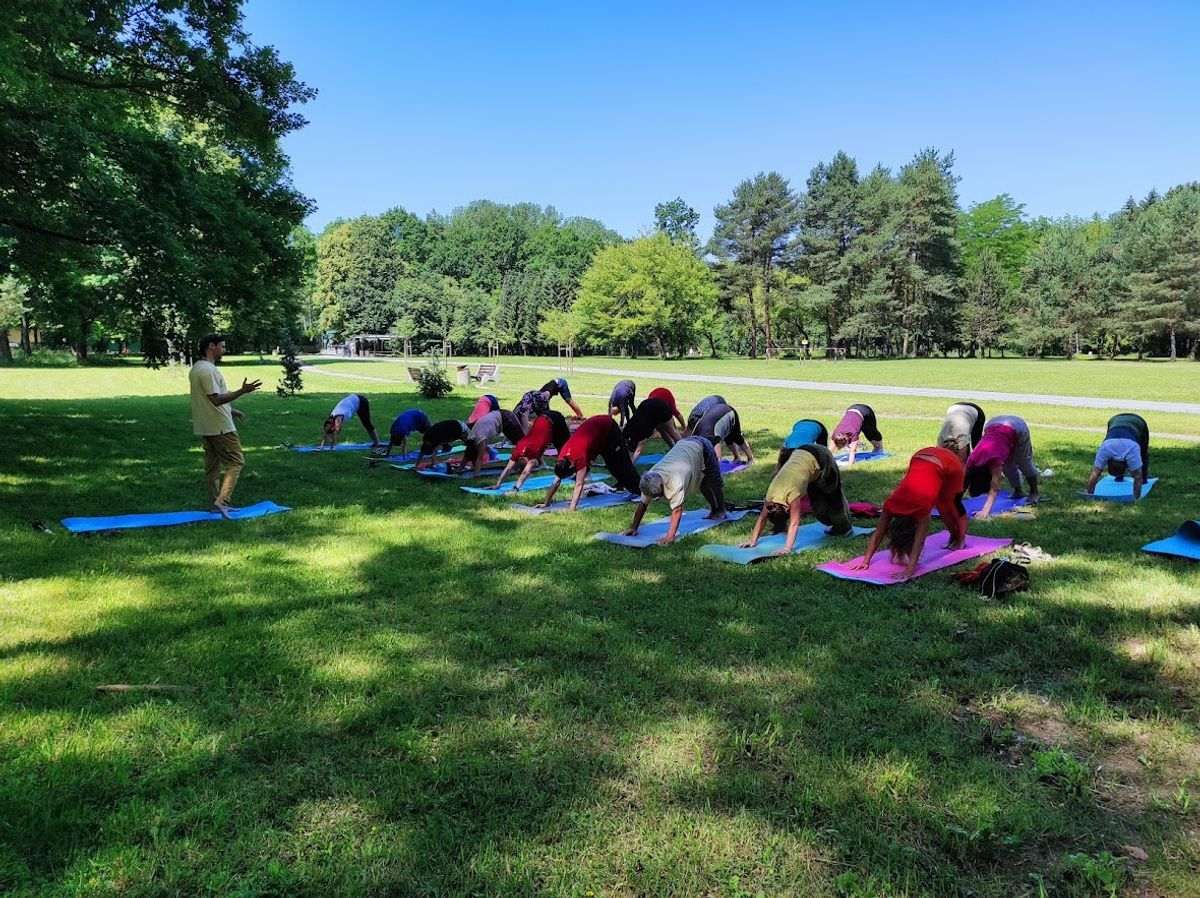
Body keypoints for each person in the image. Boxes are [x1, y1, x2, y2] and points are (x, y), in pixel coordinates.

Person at [853, 446, 969, 580]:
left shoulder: (921, 510)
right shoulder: (891, 504)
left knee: (950, 503)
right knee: (941, 502)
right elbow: (879, 533)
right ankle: (953, 537)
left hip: (950, 462)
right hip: (921, 456)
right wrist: (865, 561)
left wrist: (909, 570)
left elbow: (919, 542)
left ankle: (960, 539)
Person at [189, 334, 261, 518]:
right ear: (211, 346)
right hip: (220, 426)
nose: (224, 349)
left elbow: (210, 399)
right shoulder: (208, 370)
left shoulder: (197, 367)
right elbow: (215, 399)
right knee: (236, 462)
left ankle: (215, 503)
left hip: (206, 425)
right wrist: (242, 391)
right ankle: (222, 501)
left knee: (212, 466)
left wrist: (232, 410)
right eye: (222, 346)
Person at [742, 443, 851, 555]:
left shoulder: (792, 494)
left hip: (822, 457)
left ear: (786, 509)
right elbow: (762, 518)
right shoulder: (771, 499)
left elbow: (794, 522)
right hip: (803, 454)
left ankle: (844, 527)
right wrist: (752, 541)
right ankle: (834, 522)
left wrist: (787, 548)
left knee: (833, 497)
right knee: (818, 507)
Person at [624, 436, 726, 545]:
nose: (657, 499)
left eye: (658, 495)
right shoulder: (649, 479)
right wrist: (634, 527)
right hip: (685, 445)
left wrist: (669, 537)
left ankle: (720, 509)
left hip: (703, 447)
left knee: (713, 482)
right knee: (703, 484)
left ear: (662, 486)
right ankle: (714, 510)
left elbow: (677, 510)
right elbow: (642, 505)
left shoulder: (676, 481)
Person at [539, 415, 642, 510]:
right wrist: (546, 503)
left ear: (571, 466)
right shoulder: (562, 458)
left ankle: (641, 492)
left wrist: (572, 508)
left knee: (621, 465)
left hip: (608, 428)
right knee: (613, 467)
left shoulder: (579, 457)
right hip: (597, 434)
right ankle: (632, 489)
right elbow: (557, 480)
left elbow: (579, 484)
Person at [964, 415, 1040, 519]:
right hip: (993, 424)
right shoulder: (971, 461)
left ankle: (1034, 492)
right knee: (1008, 465)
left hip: (1016, 427)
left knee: (1023, 462)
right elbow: (963, 481)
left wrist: (985, 511)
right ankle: (1018, 491)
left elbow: (995, 488)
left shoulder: (995, 461)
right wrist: (955, 501)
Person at [491, 411, 571, 491]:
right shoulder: (518, 449)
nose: (532, 466)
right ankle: (568, 469)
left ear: (525, 461)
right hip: (542, 417)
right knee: (561, 447)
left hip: (555, 419)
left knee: (566, 447)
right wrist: (498, 484)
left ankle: (571, 470)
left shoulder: (532, 454)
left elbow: (525, 472)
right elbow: (508, 468)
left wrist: (516, 488)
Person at [1086, 413, 1151, 499]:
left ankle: (1145, 479)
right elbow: (1095, 474)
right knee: (1139, 467)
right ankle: (1119, 477)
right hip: (1115, 421)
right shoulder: (1105, 448)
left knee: (1143, 453)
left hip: (1138, 422)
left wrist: (1136, 498)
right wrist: (1089, 495)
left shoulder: (1132, 449)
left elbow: (1138, 477)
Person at [459, 409, 525, 477]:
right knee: (519, 443)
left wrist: (476, 475)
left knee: (522, 444)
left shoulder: (480, 440)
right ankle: (519, 463)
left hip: (506, 417)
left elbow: (479, 458)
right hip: (498, 416)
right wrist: (459, 470)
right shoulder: (471, 439)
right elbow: (467, 456)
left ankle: (527, 464)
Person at [622, 394, 683, 462]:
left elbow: (638, 450)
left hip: (661, 407)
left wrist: (630, 467)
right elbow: (628, 447)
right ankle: (673, 449)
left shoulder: (642, 432)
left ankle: (683, 450)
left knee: (672, 431)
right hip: (649, 407)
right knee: (662, 430)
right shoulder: (627, 430)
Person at [514, 378, 584, 430]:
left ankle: (580, 415)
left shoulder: (541, 398)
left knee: (569, 400)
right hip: (549, 391)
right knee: (546, 415)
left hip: (561, 383)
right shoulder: (538, 399)